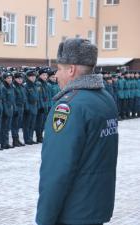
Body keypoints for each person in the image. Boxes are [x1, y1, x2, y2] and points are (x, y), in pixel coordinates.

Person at [36, 38, 118, 225]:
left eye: (59, 68)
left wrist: (44, 219)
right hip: (96, 207)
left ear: (71, 70)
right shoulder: (105, 99)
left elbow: (57, 170)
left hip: (73, 212)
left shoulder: (69, 107)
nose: (56, 75)